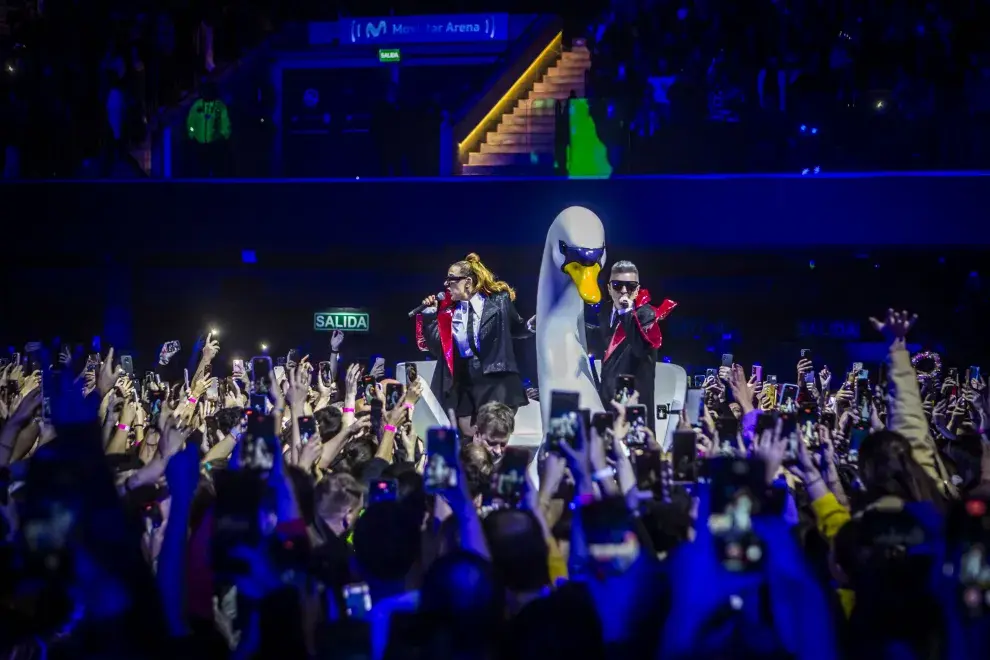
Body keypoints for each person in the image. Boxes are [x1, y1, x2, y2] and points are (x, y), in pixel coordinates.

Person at [416, 253, 534, 439]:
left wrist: (529, 326)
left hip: (495, 378)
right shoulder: (448, 311)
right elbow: (437, 348)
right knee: (468, 435)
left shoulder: (498, 301)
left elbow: (515, 327)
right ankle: (473, 465)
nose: (446, 285)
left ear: (468, 282)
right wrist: (430, 316)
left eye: (451, 279)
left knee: (492, 433)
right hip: (465, 381)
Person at [589, 260, 677, 431]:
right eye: (617, 285)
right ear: (608, 288)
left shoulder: (647, 315)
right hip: (607, 405)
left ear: (637, 290)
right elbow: (599, 339)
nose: (623, 291)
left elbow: (640, 348)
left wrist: (626, 313)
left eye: (630, 286)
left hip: (634, 410)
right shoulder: (606, 313)